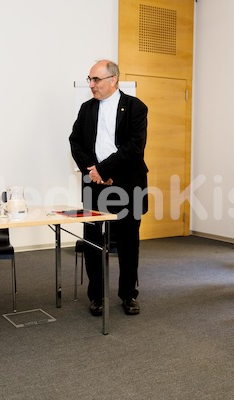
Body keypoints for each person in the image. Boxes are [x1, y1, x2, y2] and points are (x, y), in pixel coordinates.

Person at [69, 60, 148, 316]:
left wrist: (106, 171)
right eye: (90, 79)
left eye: (96, 80)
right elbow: (75, 142)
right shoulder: (86, 109)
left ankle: (128, 295)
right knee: (92, 241)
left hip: (126, 183)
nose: (91, 85)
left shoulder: (136, 108)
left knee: (127, 242)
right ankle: (96, 296)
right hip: (95, 183)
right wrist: (94, 171)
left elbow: (134, 148)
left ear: (113, 80)